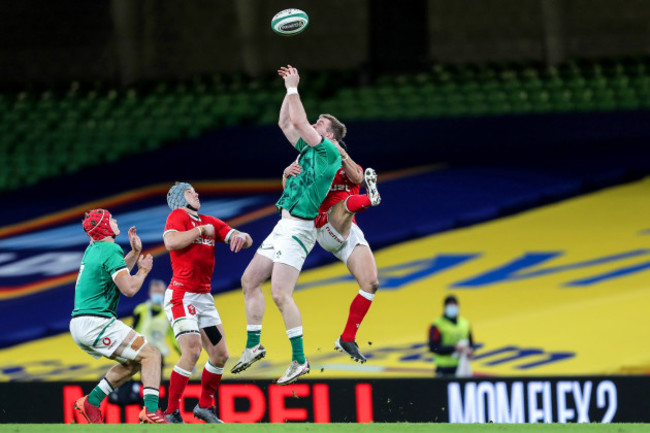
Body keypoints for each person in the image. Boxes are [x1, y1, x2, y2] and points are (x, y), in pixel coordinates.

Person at [231, 65, 342, 385]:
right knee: (250, 280)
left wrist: (294, 88)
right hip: (283, 225)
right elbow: (285, 122)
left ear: (330, 135)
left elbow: (298, 120)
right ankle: (253, 346)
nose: (314, 125)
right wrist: (285, 88)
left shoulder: (328, 152)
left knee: (280, 293)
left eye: (321, 124)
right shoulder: (308, 150)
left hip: (300, 229)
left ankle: (299, 360)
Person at [281, 141, 381, 364]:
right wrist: (286, 174)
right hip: (324, 226)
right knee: (344, 205)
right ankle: (369, 199)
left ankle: (347, 338)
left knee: (371, 283)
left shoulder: (349, 169)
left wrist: (343, 153)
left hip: (348, 230)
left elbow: (358, 176)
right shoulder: (314, 167)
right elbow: (289, 193)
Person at [162, 181, 253, 423]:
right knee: (192, 350)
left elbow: (239, 236)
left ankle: (204, 407)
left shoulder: (210, 220)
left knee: (220, 354)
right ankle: (171, 412)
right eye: (191, 192)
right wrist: (200, 231)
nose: (197, 194)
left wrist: (242, 236)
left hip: (203, 299)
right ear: (180, 198)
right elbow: (171, 242)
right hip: (182, 296)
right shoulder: (178, 215)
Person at [70, 209, 168, 424]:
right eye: (111, 219)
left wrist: (134, 253)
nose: (115, 220)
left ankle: (92, 402)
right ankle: (151, 411)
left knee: (134, 363)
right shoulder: (110, 249)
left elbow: (117, 274)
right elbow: (129, 289)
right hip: (96, 321)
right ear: (105, 226)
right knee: (152, 355)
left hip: (82, 322)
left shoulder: (94, 249)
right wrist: (142, 271)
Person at [428, 295, 475, 377]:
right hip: (444, 368)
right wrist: (453, 348)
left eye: (454, 305)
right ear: (445, 307)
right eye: (450, 305)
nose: (452, 308)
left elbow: (471, 343)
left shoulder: (465, 323)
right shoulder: (437, 324)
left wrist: (470, 351)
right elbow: (433, 347)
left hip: (461, 366)